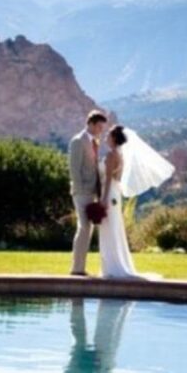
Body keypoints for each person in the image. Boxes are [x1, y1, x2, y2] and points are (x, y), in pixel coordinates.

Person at [98, 125, 174, 280]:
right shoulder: (120, 154)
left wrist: (103, 199)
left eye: (108, 135)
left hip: (110, 193)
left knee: (109, 230)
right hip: (115, 194)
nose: (106, 137)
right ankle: (113, 266)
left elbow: (107, 181)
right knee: (113, 229)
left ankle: (113, 268)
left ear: (114, 138)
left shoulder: (112, 155)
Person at [68, 110, 108, 276]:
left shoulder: (94, 142)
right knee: (84, 227)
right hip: (82, 192)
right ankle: (77, 269)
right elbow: (74, 169)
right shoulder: (78, 141)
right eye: (99, 126)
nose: (101, 130)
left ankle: (79, 268)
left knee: (87, 229)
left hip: (92, 192)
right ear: (90, 124)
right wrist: (81, 190)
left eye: (102, 127)